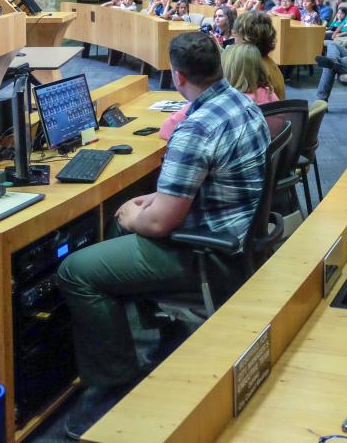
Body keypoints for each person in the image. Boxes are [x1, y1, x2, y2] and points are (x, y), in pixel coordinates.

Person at [57, 33, 270, 436]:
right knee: (124, 220)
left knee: (76, 270)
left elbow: (157, 225)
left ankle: (113, 385)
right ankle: (163, 327)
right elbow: (200, 184)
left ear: (177, 75)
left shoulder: (195, 130)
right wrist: (151, 200)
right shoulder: (242, 102)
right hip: (233, 235)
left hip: (205, 254)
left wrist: (130, 214)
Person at [232, 10, 286, 99]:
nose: (234, 38)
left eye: (236, 34)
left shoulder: (253, 68)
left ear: (245, 37)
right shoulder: (267, 62)